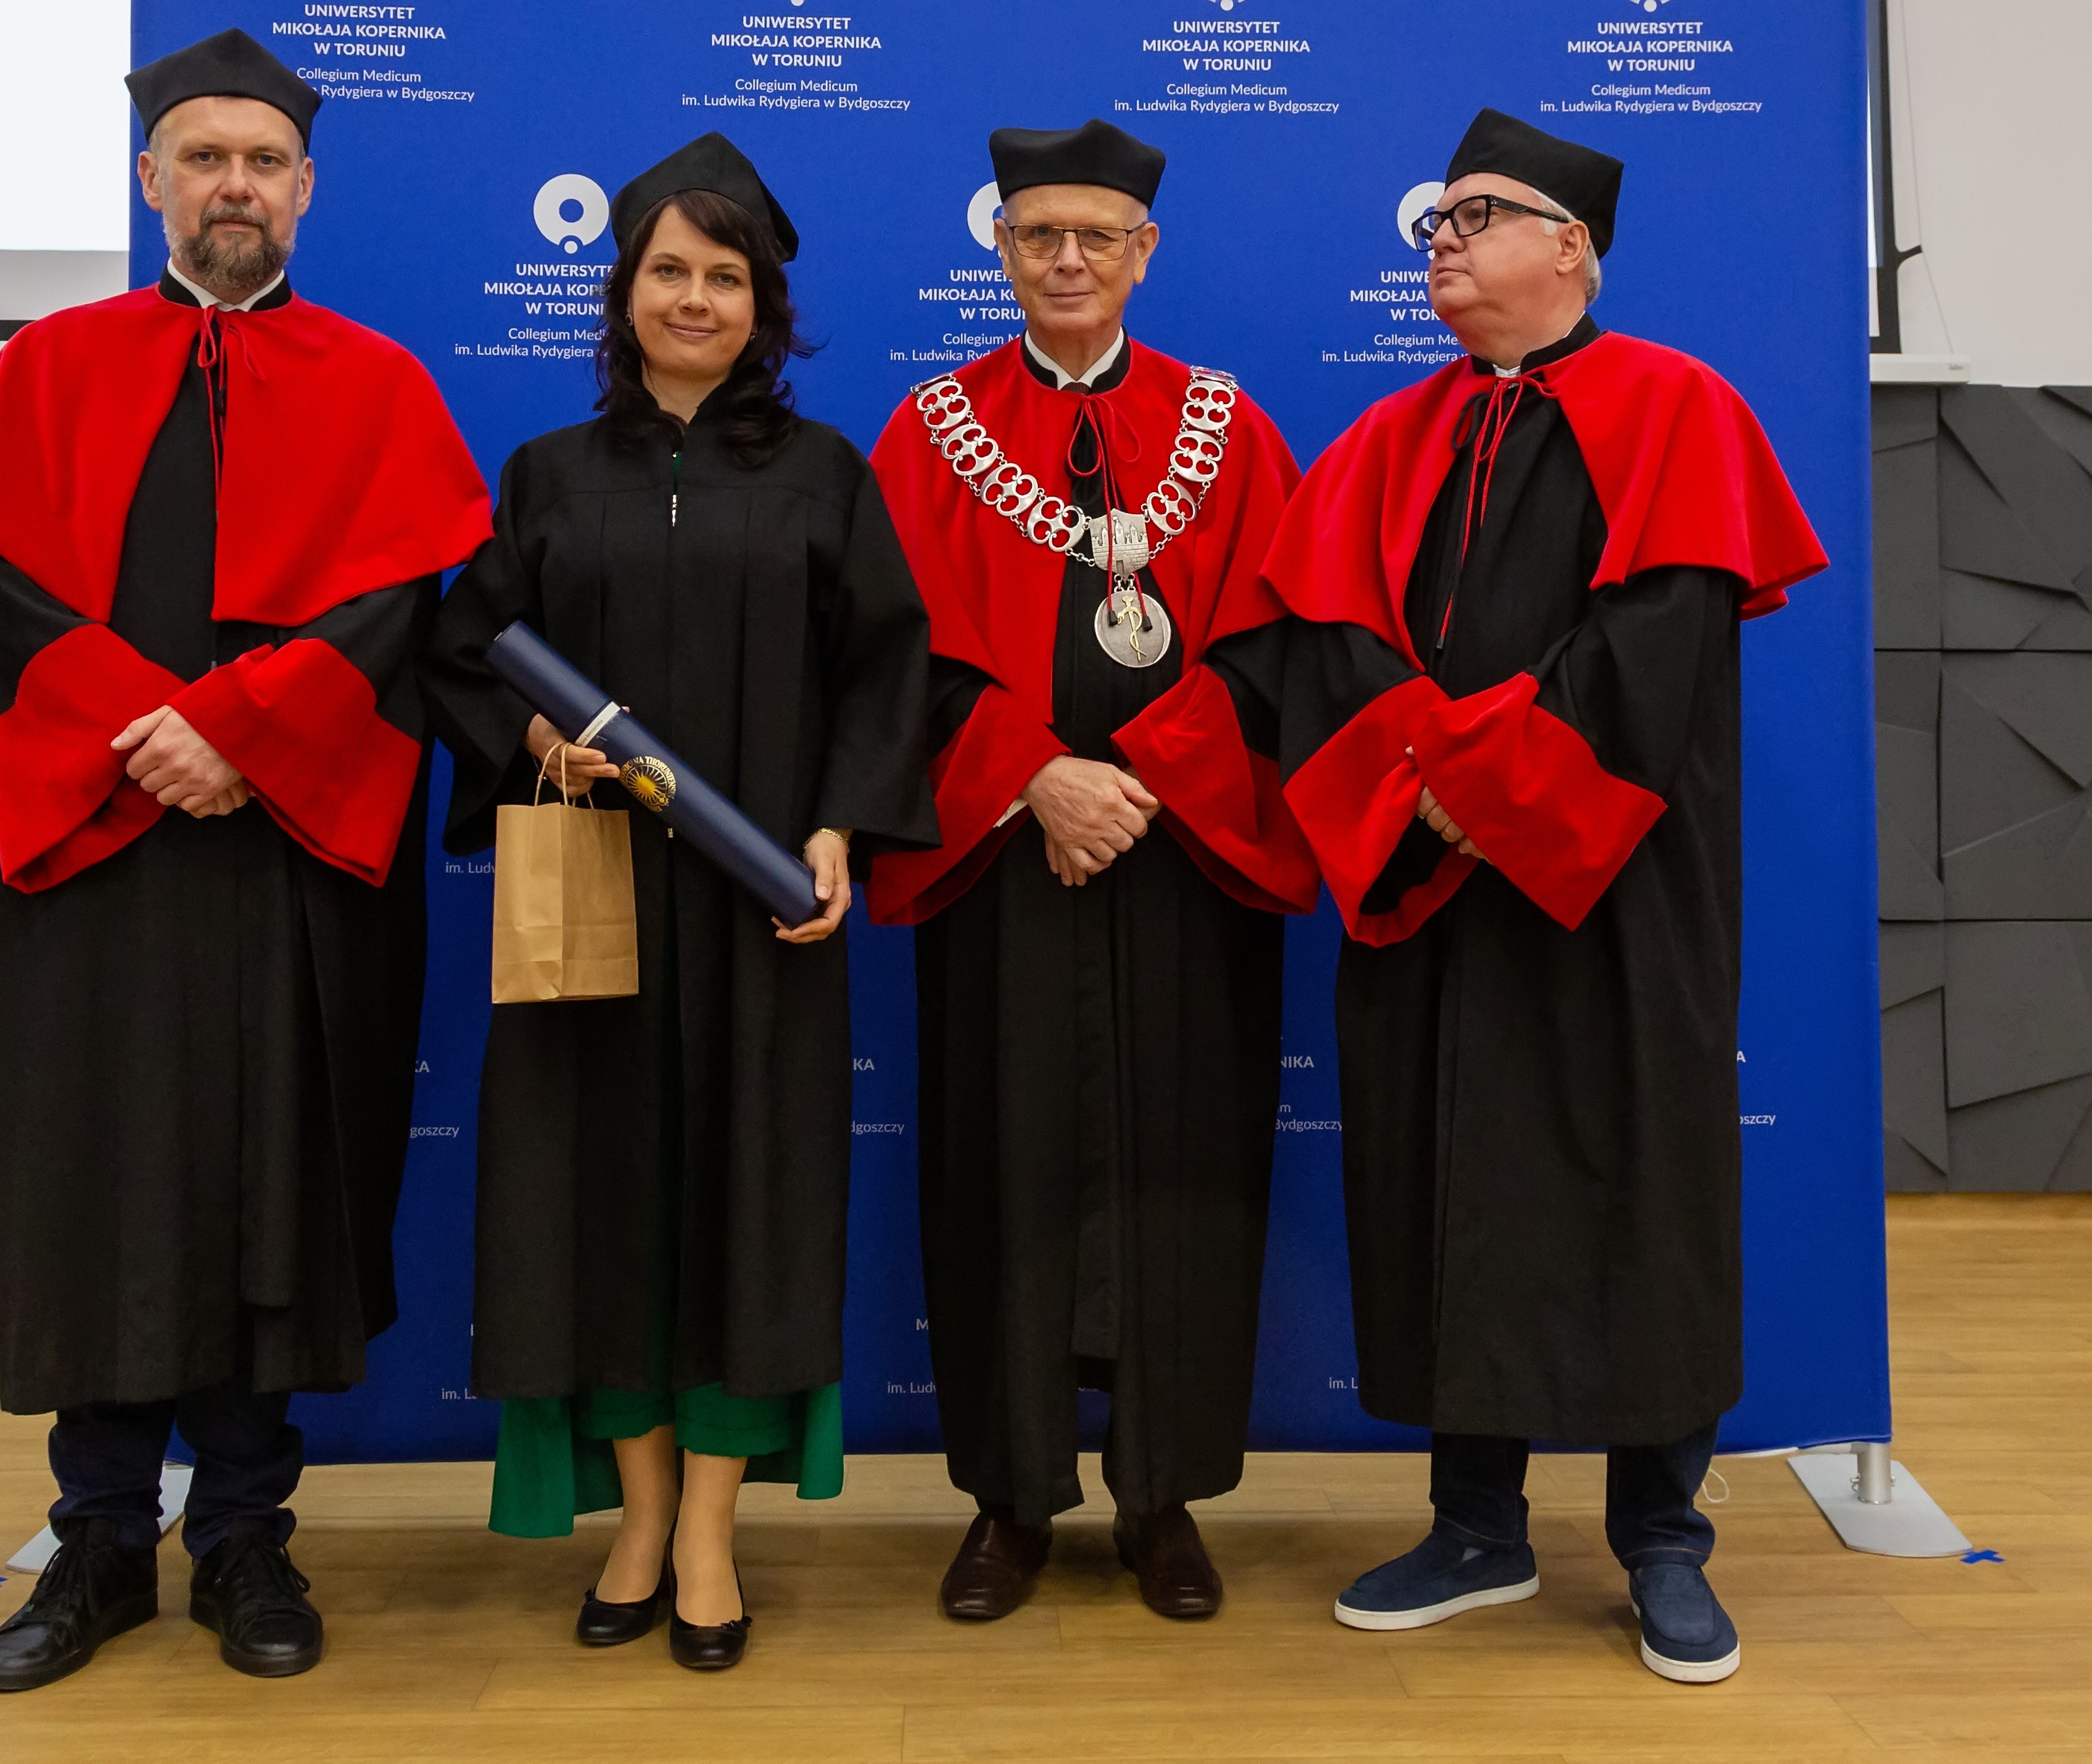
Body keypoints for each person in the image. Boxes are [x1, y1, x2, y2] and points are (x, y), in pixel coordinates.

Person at [0, 29, 492, 1692]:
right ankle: (100, 1538)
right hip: (100, 848)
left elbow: (394, 610)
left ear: (304, 189)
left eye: (261, 160)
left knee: (275, 1178)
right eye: (203, 157)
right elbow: (1, 589)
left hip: (290, 852)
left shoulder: (378, 386)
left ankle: (244, 1533)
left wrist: (242, 731)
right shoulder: (49, 368)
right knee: (97, 1171)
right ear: (151, 180)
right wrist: (148, 732)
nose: (232, 184)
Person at [1260, 110, 1827, 1683]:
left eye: (1476, 216)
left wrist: (1483, 786)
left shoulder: (1677, 409)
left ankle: (1661, 1540)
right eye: (1432, 222)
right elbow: (1331, 649)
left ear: (1569, 246)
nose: (1439, 241)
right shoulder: (1387, 439)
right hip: (1432, 883)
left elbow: (1652, 650)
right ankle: (1474, 1526)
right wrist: (1426, 794)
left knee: (1638, 1181)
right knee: (1446, 1178)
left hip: (1615, 880)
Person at [422, 133, 936, 1672]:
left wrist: (838, 828)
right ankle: (637, 1518)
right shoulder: (547, 474)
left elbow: (888, 673)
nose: (694, 297)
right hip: (593, 907)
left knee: (744, 1207)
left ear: (762, 303)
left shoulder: (825, 474)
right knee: (599, 1204)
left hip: (758, 907)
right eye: (667, 270)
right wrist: (537, 742)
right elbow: (463, 654)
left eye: (724, 275)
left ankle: (709, 1531)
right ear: (624, 289)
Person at [866, 120, 1313, 1623]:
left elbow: (1273, 643)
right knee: (999, 1168)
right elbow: (892, 653)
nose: (1066, 259)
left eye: (1095, 237)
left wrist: (1142, 776)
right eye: (1038, 234)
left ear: (1143, 252)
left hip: (1183, 862)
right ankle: (1008, 1500)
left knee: (1182, 1175)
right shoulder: (929, 430)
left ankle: (1160, 1496)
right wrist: (1035, 779)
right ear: (999, 247)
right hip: (1004, 860)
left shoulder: (1226, 428)